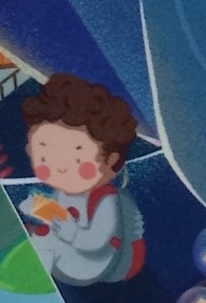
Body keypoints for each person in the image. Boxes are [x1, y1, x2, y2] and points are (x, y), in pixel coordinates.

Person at [19, 72, 145, 286]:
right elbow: (55, 214)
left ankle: (37, 285)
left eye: (77, 160)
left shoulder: (106, 200)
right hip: (66, 252)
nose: (60, 168)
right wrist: (39, 209)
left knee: (43, 240)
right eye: (44, 157)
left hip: (96, 262)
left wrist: (69, 230)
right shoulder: (62, 192)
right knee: (37, 237)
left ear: (110, 160)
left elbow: (96, 241)